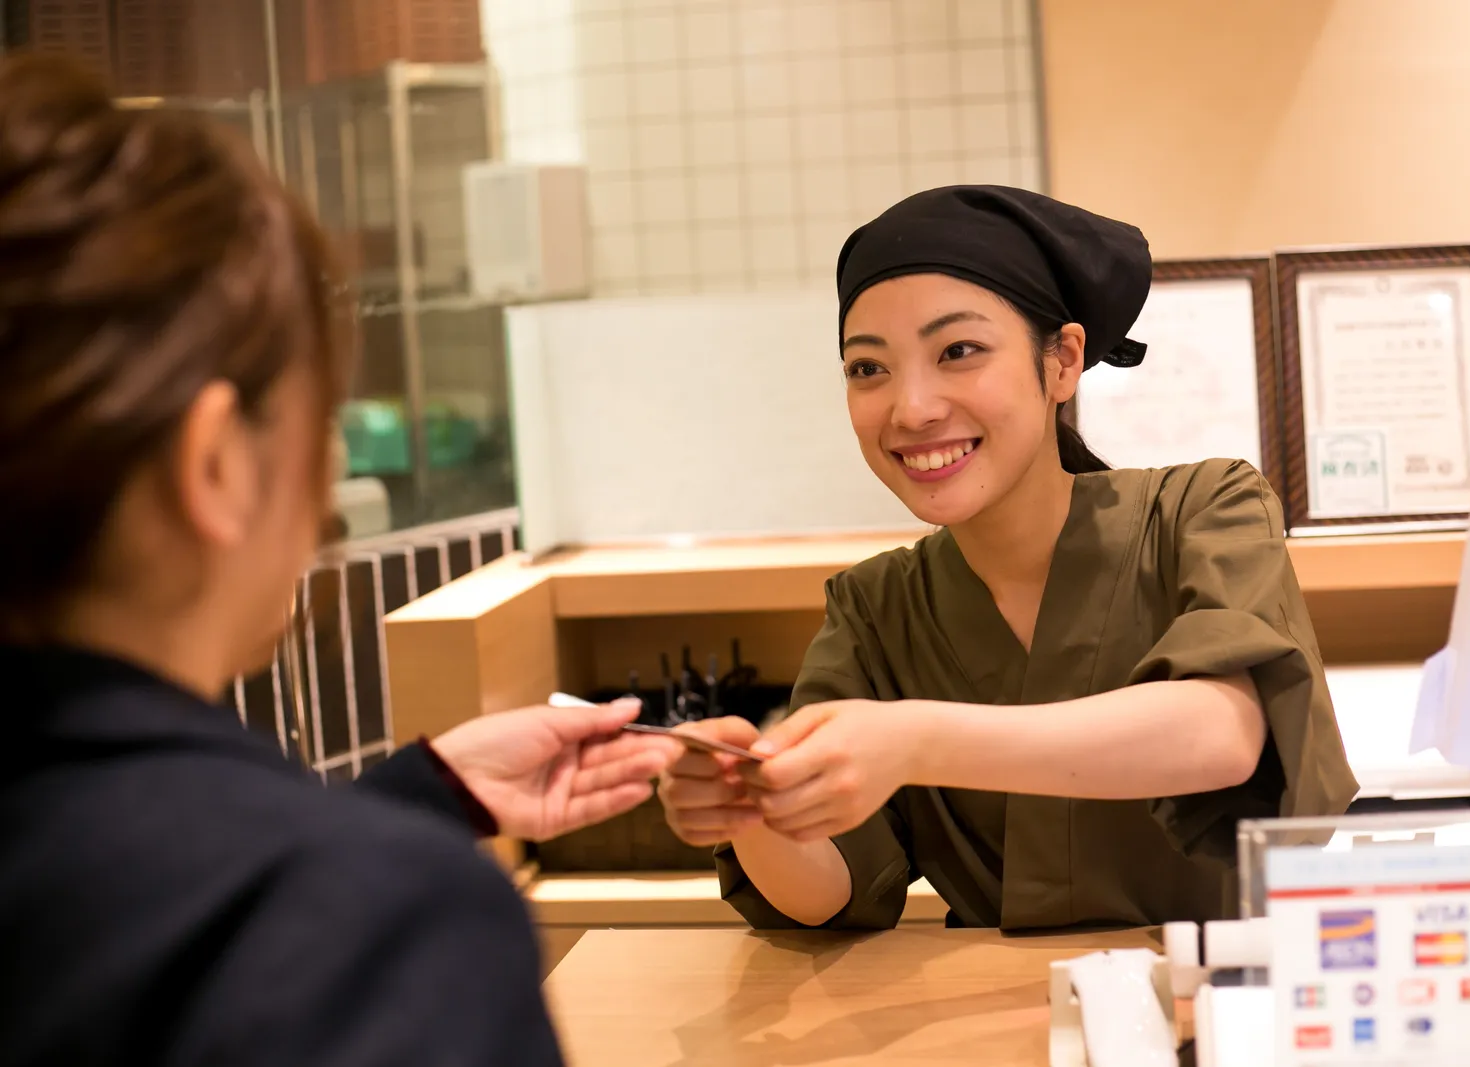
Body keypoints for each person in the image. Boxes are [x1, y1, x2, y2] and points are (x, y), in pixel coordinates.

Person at [0, 54, 677, 1065]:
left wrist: (428, 791)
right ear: (218, 463)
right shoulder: (379, 930)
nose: (327, 476)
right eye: (324, 416)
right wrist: (373, 858)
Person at [658, 186, 1359, 931]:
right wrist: (751, 808)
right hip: (997, 1021)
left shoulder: (1204, 508)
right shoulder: (876, 609)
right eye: (869, 369)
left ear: (1062, 362)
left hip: (1211, 1010)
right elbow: (831, 888)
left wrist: (913, 742)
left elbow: (1220, 734)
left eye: (959, 351)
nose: (913, 407)